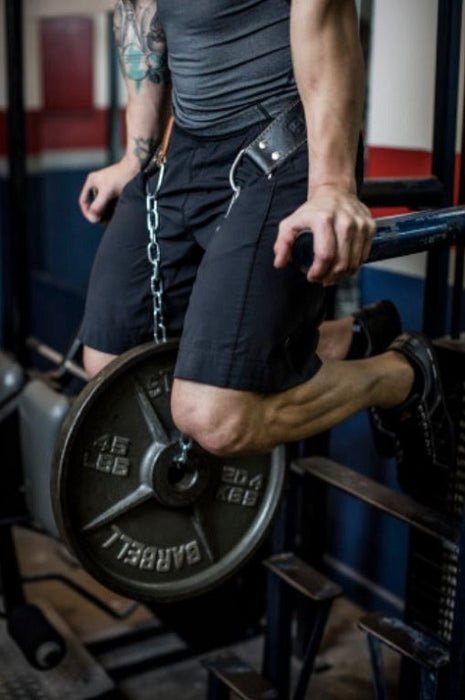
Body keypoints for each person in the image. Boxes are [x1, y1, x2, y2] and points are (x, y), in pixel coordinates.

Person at [78, 0, 454, 484]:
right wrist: (137, 155)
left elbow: (327, 12)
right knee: (110, 364)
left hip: (281, 142)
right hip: (187, 143)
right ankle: (351, 337)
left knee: (215, 415)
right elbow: (139, 12)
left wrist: (332, 185)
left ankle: (402, 376)